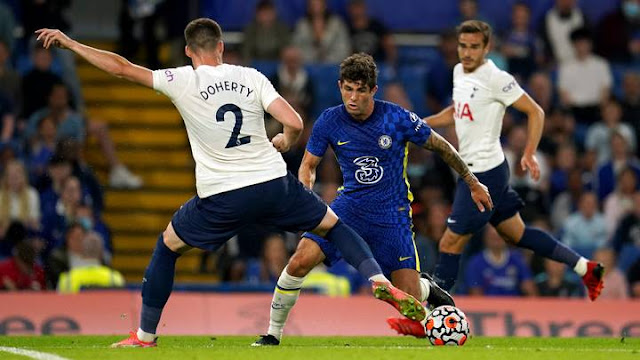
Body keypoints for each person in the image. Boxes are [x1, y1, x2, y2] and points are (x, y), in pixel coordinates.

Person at [36, 18, 425, 348]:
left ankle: (145, 335)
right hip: (273, 182)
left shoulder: (182, 79)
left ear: (190, 51)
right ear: (221, 47)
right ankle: (377, 279)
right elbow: (293, 121)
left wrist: (71, 43)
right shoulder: (250, 76)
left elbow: (121, 67)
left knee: (167, 247)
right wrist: (286, 142)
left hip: (222, 195)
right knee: (334, 225)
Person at [252, 53, 493, 346]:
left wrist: (472, 181)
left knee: (412, 304)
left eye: (360, 90)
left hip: (392, 216)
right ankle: (272, 334)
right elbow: (308, 165)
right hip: (348, 208)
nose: (353, 97)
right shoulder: (329, 120)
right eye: (347, 89)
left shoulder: (396, 118)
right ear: (340, 86)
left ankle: (426, 289)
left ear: (373, 90)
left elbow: (440, 146)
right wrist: (306, 193)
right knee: (301, 259)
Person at [390, 20, 607, 339]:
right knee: (516, 234)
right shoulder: (458, 72)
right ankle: (586, 269)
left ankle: (429, 319)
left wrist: (530, 152)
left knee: (450, 242)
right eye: (463, 46)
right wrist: (422, 125)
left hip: (483, 174)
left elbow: (536, 112)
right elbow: (457, 111)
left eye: (474, 47)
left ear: (487, 48)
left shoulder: (497, 78)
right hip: (481, 169)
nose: (466, 52)